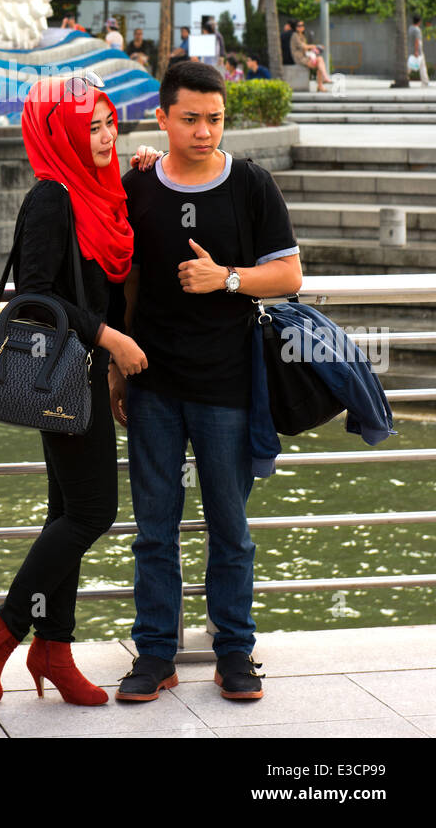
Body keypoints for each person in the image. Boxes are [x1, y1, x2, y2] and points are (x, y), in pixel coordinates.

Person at [0, 73, 149, 705]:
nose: (104, 135)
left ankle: (54, 649)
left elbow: (110, 271)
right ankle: (5, 628)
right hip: (59, 371)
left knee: (67, 513)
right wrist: (110, 341)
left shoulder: (103, 191)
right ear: (58, 134)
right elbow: (36, 296)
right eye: (88, 127)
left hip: (89, 372)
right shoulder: (53, 198)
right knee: (95, 512)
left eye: (108, 122)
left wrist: (144, 166)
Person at [111, 60, 301, 703]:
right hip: (152, 381)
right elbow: (129, 282)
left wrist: (226, 278)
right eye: (189, 119)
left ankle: (235, 653)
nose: (204, 131)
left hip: (227, 383)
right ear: (161, 118)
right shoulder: (138, 186)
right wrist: (118, 365)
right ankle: (155, 653)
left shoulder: (250, 183)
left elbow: (289, 277)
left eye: (215, 119)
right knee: (154, 528)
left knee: (230, 528)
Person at [290, 19, 332, 93]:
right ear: (295, 27)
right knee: (319, 61)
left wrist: (312, 52)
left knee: (319, 60)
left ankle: (321, 83)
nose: (301, 27)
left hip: (305, 57)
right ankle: (322, 82)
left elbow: (306, 50)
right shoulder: (295, 35)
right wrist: (314, 46)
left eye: (302, 25)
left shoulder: (302, 36)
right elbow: (303, 46)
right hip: (300, 59)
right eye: (299, 26)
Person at [408, 14, 430, 87]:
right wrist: (416, 51)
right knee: (412, 66)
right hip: (418, 51)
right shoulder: (417, 30)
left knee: (420, 66)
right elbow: (417, 41)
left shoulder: (410, 28)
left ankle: (425, 82)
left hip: (412, 49)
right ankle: (425, 82)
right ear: (419, 21)